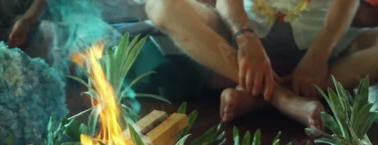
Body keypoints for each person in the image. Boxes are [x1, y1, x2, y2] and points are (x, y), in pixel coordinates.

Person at [144, 0, 378, 129]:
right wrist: (246, 40)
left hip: (325, 49)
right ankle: (282, 98)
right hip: (245, 39)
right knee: (162, 5)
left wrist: (320, 53)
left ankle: (256, 96)